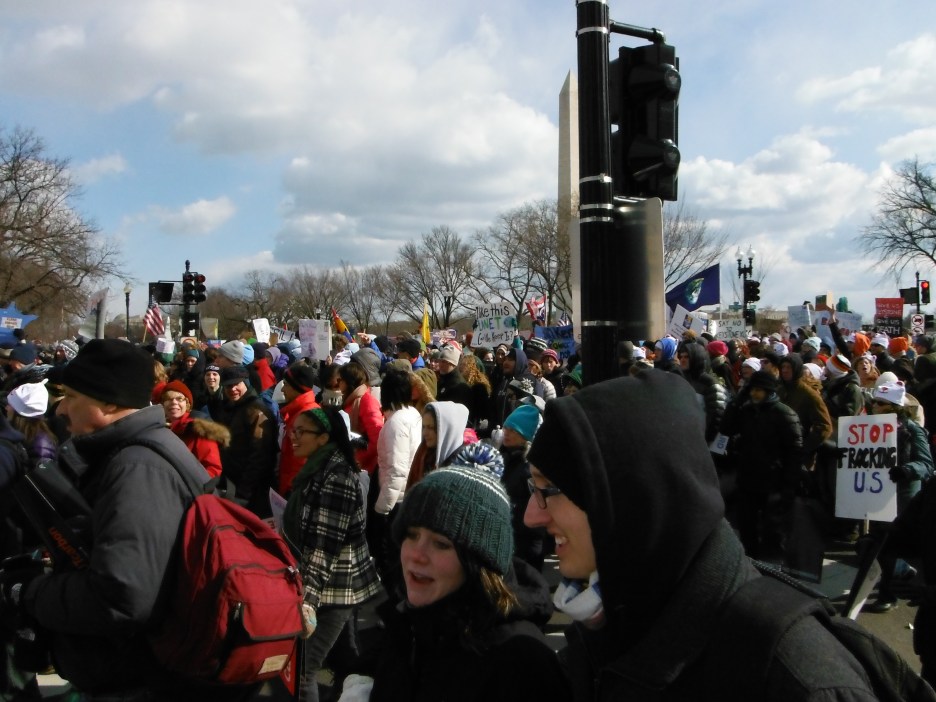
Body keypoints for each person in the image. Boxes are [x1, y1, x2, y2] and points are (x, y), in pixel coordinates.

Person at [523, 371, 878, 701]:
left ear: (631, 495)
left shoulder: (794, 675)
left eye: (548, 489)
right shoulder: (614, 613)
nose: (531, 515)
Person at [0, 339, 253, 701]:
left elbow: (123, 597)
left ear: (109, 402)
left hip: (139, 678)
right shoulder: (139, 454)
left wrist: (30, 593)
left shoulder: (138, 468)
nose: (62, 409)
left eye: (72, 397)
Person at [362, 463, 570, 702]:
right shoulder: (409, 625)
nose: (416, 555)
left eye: (441, 544)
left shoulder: (520, 660)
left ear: (478, 562)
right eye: (411, 535)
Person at [281, 406, 381, 702]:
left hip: (333, 590)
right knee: (342, 662)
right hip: (325, 585)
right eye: (292, 431)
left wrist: (307, 602)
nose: (293, 438)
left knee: (303, 672)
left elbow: (325, 546)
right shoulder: (318, 467)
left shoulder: (336, 476)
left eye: (301, 432)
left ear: (323, 438)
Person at [864, 379, 934, 613]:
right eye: (874, 402)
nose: (874, 406)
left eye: (880, 403)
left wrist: (906, 470)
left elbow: (926, 464)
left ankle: (888, 594)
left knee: (890, 548)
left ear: (893, 407)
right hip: (878, 496)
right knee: (879, 548)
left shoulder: (912, 430)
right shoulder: (869, 428)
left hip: (904, 498)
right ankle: (897, 579)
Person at [215, 365, 279, 517]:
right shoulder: (230, 407)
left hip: (252, 492)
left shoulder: (256, 411)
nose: (232, 389)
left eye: (236, 384)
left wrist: (243, 493)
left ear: (246, 383)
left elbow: (260, 456)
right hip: (233, 484)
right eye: (228, 386)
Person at [160, 380, 230, 479]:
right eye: (168, 399)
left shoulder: (198, 429)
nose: (174, 402)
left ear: (187, 404)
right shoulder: (160, 428)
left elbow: (212, 469)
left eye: (179, 399)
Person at [406, 401, 469, 489]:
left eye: (430, 427)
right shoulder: (423, 454)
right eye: (423, 427)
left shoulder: (462, 466)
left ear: (447, 430)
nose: (424, 433)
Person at [5, 382, 57, 465]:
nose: (6, 407)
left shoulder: (41, 449)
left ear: (19, 413)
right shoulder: (13, 428)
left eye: (9, 405)